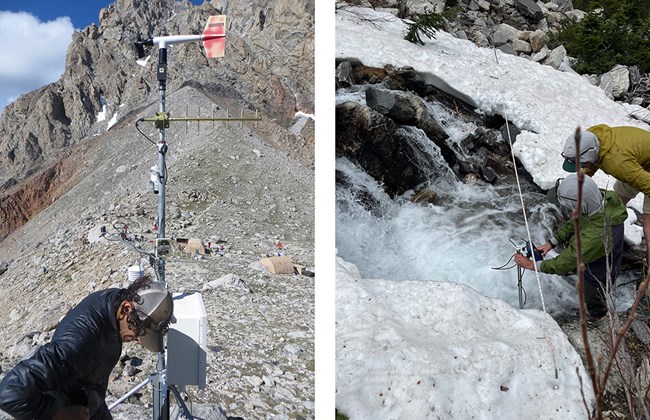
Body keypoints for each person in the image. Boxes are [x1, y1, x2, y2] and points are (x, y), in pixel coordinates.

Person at [0, 275, 174, 420]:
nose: (139, 340)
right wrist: (59, 414)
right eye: (139, 332)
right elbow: (10, 393)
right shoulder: (75, 344)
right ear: (126, 308)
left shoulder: (115, 303)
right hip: (67, 407)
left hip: (90, 401)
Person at [514, 174, 627, 318]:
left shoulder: (594, 237)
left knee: (593, 297)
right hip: (602, 253)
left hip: (599, 272)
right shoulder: (605, 199)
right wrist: (552, 242)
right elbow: (577, 220)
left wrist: (532, 265)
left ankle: (599, 318)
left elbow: (564, 263)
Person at [561, 124, 650, 264]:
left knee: (648, 227)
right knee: (613, 205)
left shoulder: (617, 164)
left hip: (639, 171)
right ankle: (600, 237)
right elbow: (590, 165)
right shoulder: (592, 139)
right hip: (636, 161)